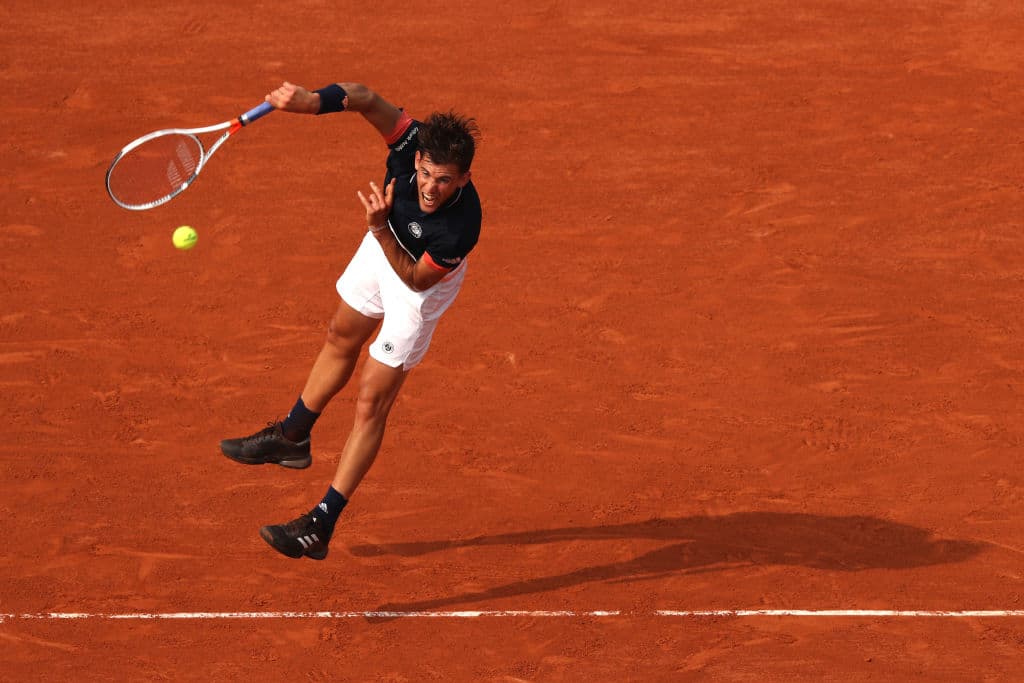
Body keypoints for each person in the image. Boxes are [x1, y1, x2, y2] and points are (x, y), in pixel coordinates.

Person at [220, 80, 482, 560]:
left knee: (370, 403)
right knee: (340, 334)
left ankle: (321, 523)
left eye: (444, 180)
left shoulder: (460, 226)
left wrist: (381, 227)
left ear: (463, 179)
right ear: (418, 156)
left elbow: (416, 280)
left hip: (416, 285)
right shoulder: (408, 140)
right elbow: (361, 96)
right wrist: (309, 104)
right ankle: (292, 436)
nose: (429, 186)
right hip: (382, 239)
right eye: (425, 173)